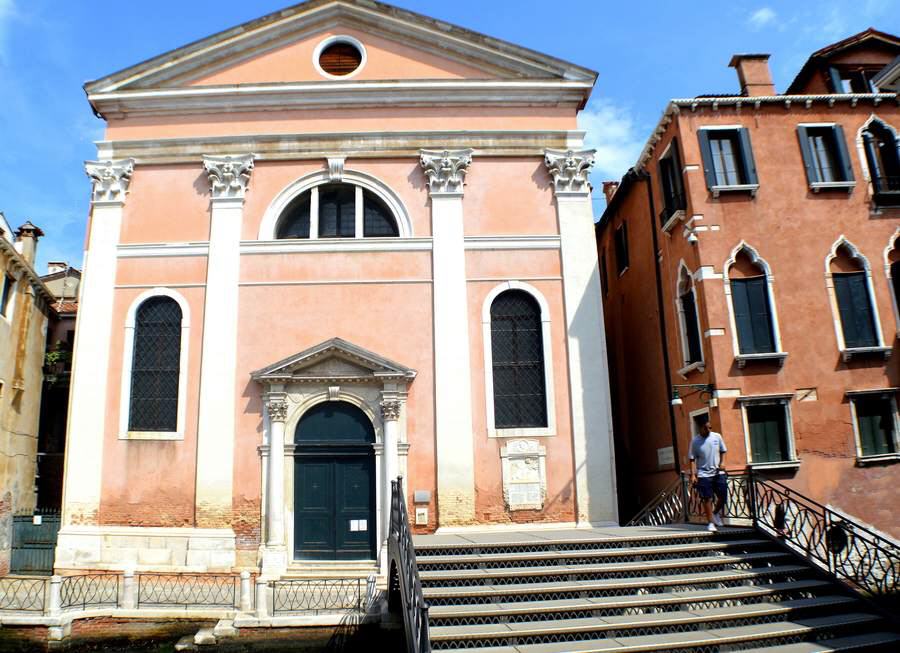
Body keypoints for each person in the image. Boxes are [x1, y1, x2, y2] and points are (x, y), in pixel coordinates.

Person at [689, 418, 727, 532]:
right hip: (703, 473)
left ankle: (715, 514)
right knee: (707, 498)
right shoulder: (695, 441)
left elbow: (723, 450)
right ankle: (710, 522)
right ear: (701, 428)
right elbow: (692, 459)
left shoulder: (717, 437)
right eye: (706, 428)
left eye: (710, 427)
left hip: (718, 472)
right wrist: (693, 475)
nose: (709, 430)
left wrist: (722, 463)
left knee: (723, 496)